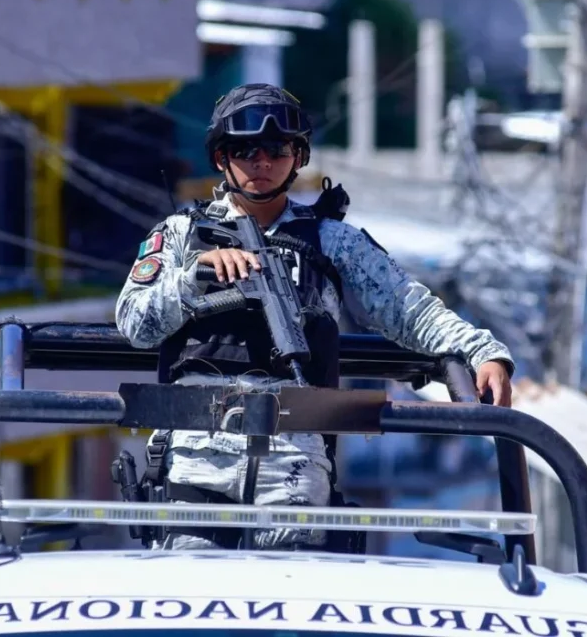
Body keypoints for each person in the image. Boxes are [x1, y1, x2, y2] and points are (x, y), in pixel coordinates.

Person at [115, 83, 514, 551]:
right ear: (222, 158)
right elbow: (133, 323)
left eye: (277, 148)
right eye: (245, 149)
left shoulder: (332, 241)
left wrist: (483, 351)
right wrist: (192, 277)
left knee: (295, 605)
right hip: (194, 446)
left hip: (294, 452)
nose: (261, 162)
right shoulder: (181, 234)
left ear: (298, 157)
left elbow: (409, 306)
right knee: (196, 604)